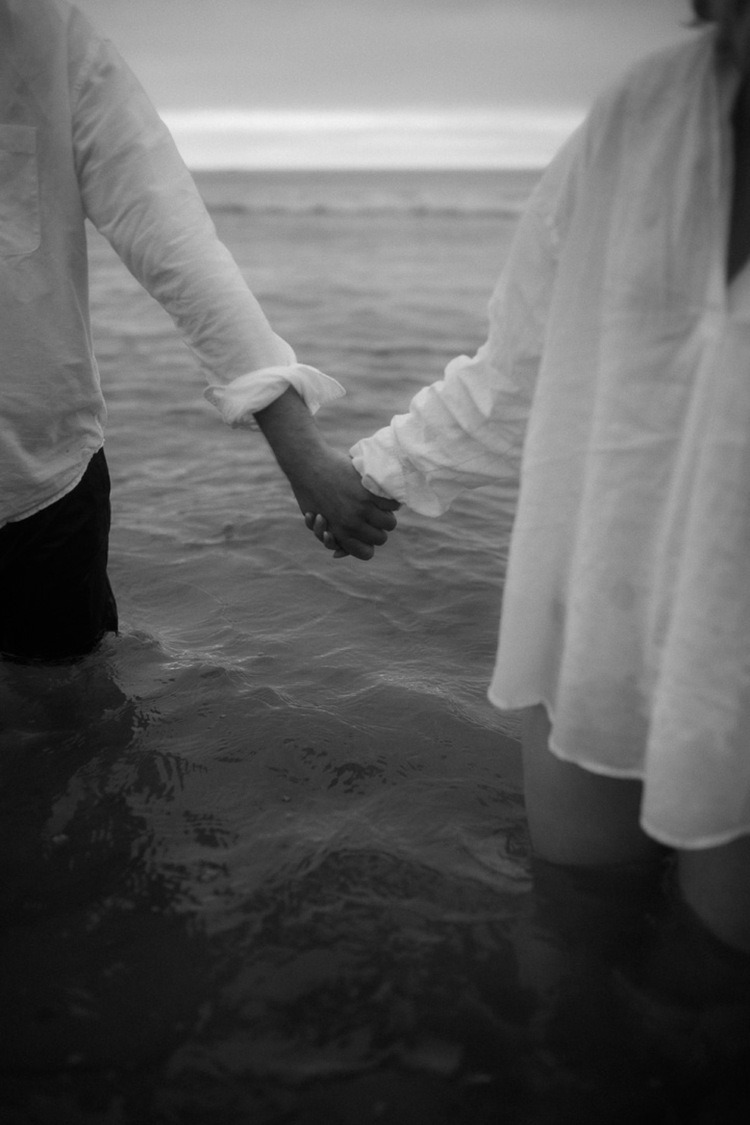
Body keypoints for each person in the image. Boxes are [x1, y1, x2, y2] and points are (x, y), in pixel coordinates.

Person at [307, 0, 750, 961]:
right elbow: (523, 358)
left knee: (713, 983)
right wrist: (370, 474)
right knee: (575, 933)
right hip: (600, 610)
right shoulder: (641, 110)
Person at [0, 0, 397, 664]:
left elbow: (179, 249)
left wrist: (305, 457)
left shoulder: (50, 39)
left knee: (66, 727)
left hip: (39, 489)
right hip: (44, 477)